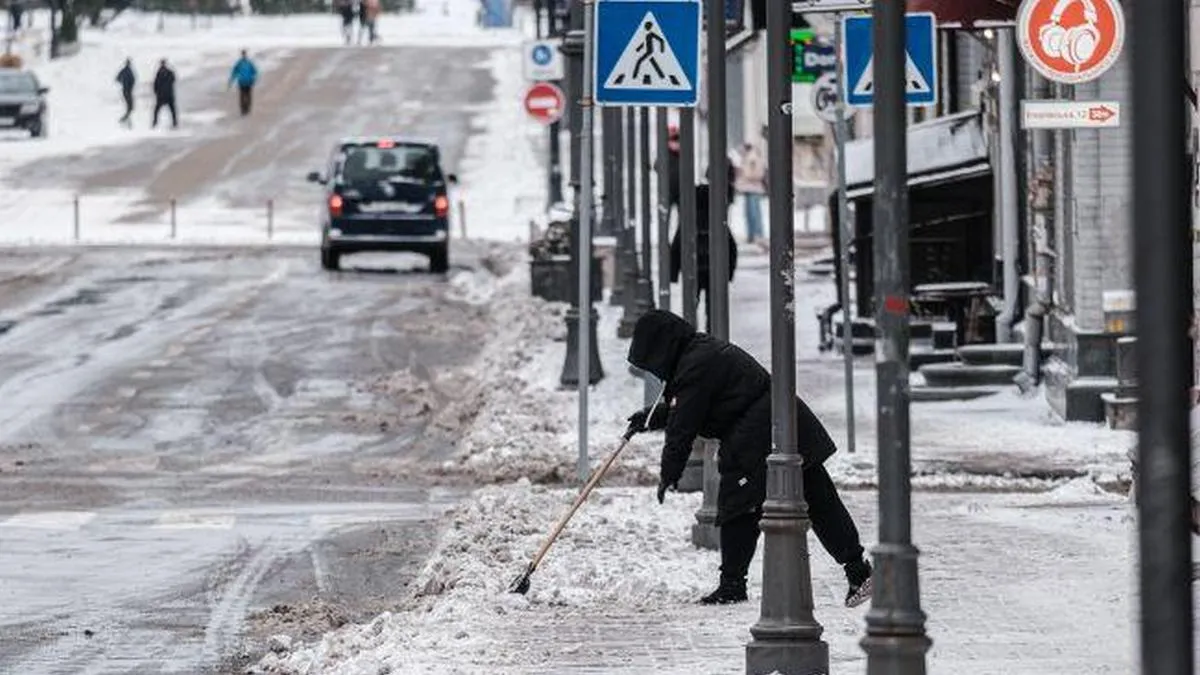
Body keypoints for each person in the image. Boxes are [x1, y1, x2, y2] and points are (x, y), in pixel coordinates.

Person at [625, 309, 873, 607]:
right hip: (779, 420)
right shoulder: (696, 354)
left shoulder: (694, 365)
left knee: (739, 502)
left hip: (760, 429)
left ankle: (732, 584)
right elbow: (691, 407)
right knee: (817, 498)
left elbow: (684, 425)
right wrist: (650, 418)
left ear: (661, 347)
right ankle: (858, 570)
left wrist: (669, 473)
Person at [669, 183, 737, 334]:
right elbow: (732, 248)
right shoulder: (718, 222)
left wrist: (673, 274)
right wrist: (729, 273)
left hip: (693, 270)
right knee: (713, 308)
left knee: (691, 305)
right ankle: (712, 334)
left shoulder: (688, 222)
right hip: (715, 270)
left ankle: (692, 334)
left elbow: (676, 247)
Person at [734, 139, 767, 245]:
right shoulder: (748, 158)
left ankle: (757, 234)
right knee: (749, 213)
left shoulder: (753, 158)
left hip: (753, 188)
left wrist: (743, 173)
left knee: (754, 213)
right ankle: (752, 234)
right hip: (748, 188)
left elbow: (757, 173)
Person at [228, 49, 257, 116]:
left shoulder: (249, 63)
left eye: (244, 54)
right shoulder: (239, 63)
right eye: (243, 54)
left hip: (249, 82)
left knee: (248, 96)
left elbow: (254, 71)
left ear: (245, 54)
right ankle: (243, 109)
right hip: (241, 82)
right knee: (242, 96)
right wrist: (231, 80)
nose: (244, 55)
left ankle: (247, 108)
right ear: (242, 55)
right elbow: (234, 72)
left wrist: (253, 79)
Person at [151, 59, 177, 129]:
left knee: (172, 110)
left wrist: (156, 92)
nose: (163, 65)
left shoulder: (166, 73)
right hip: (163, 95)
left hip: (167, 95)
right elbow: (155, 85)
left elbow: (173, 79)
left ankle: (174, 123)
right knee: (158, 110)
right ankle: (155, 122)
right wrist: (156, 92)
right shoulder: (160, 73)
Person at [115, 58, 135, 127]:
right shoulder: (128, 71)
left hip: (126, 90)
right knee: (130, 106)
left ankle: (125, 119)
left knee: (130, 107)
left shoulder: (125, 70)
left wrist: (123, 83)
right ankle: (124, 120)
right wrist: (126, 84)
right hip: (127, 91)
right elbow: (133, 80)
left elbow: (117, 78)